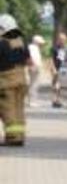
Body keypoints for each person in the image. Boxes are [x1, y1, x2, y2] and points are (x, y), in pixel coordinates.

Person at [0, 15, 29, 146]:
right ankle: (20, 136)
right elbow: (28, 60)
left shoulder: (2, 43)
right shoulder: (22, 42)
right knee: (19, 109)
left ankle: (12, 137)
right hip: (22, 79)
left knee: (8, 109)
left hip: (7, 80)